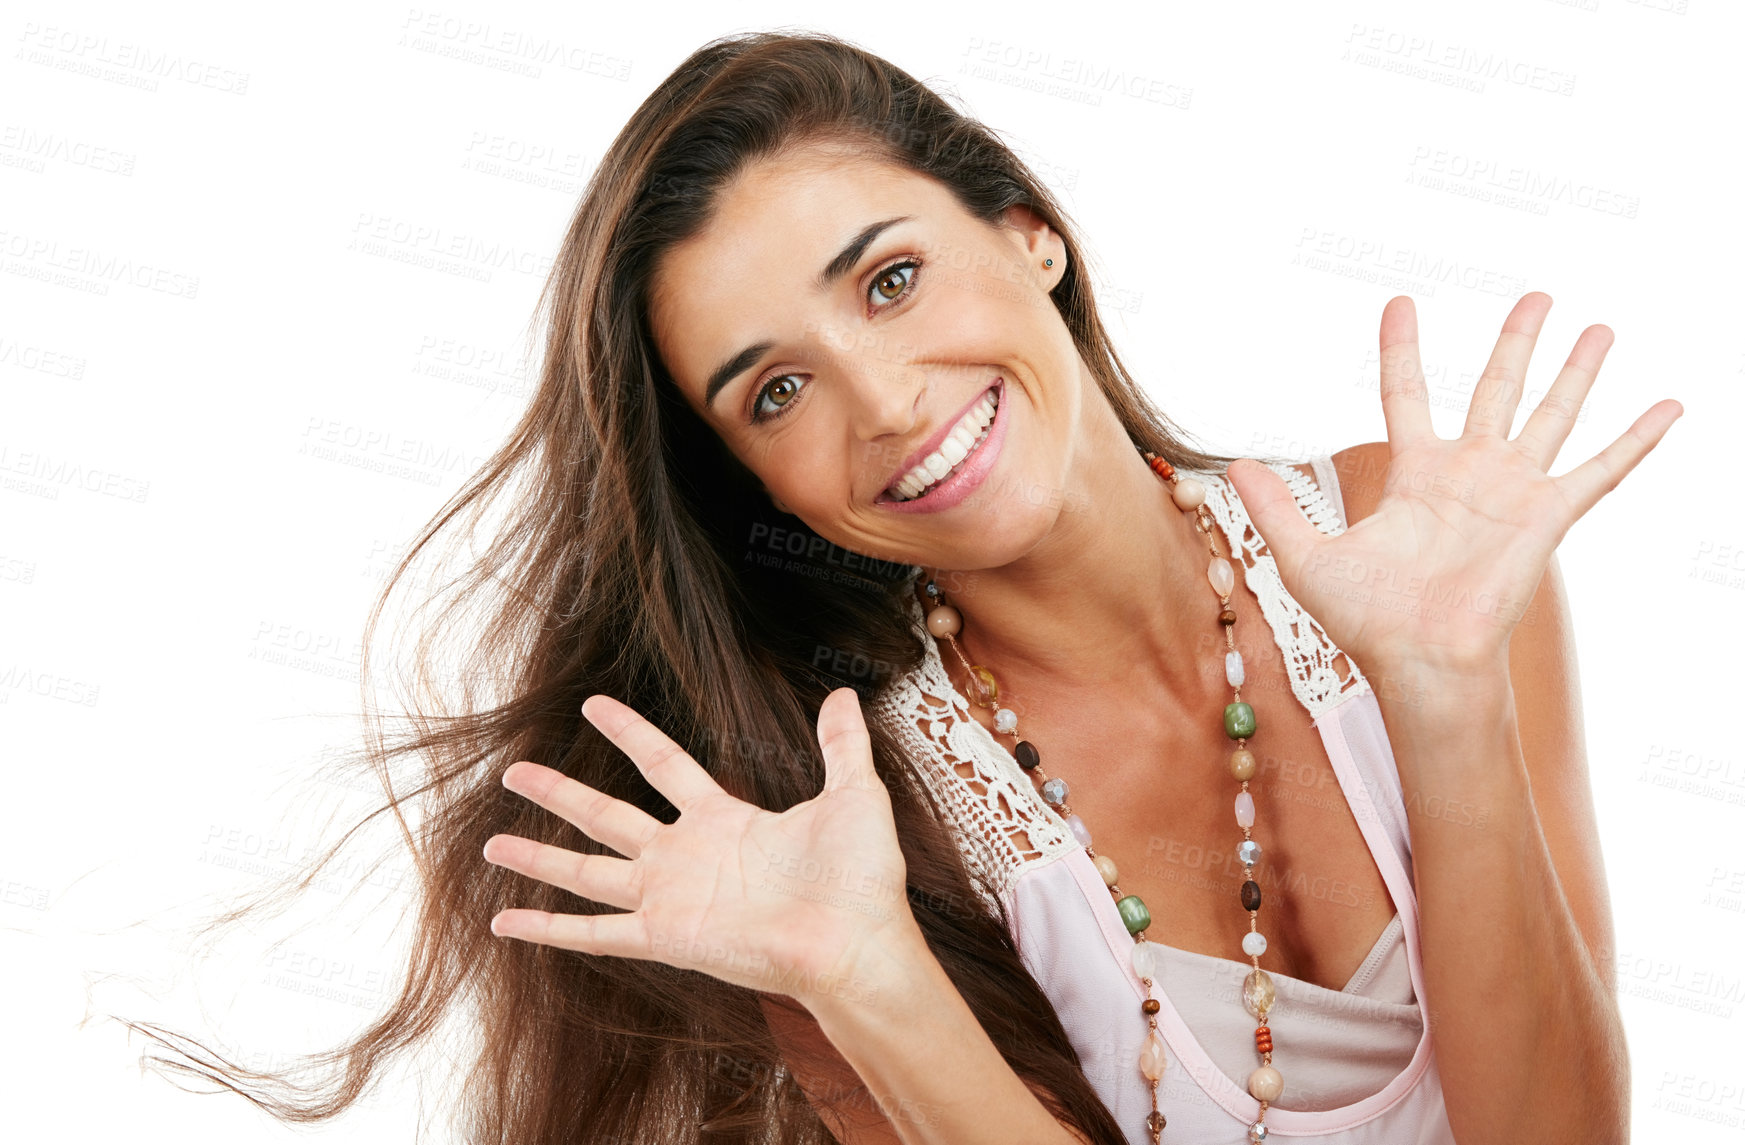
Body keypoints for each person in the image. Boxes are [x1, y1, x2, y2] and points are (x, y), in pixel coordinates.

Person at [131, 30, 1677, 1145]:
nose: (878, 399)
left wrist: (1447, 698)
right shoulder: (842, 831)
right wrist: (868, 978)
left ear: (1029, 233)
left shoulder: (1404, 544)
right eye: (774, 392)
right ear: (756, 485)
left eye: (887, 279)